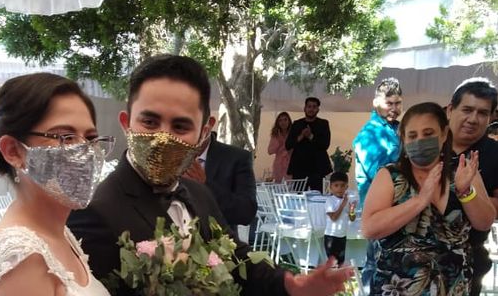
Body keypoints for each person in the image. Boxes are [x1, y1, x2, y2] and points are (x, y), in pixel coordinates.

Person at [67, 55, 352, 296]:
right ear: (127, 123)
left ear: (204, 133)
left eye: (180, 126)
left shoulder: (199, 191)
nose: (163, 137)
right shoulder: (94, 212)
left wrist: (292, 284)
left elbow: (234, 255)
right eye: (150, 122)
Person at [0, 73, 114, 296]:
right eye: (66, 137)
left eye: (90, 137)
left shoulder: (57, 231)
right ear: (13, 151)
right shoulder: (22, 255)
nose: (84, 151)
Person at [362, 102, 496, 295]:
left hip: (454, 287)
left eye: (428, 134)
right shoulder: (390, 175)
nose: (420, 141)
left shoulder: (463, 170)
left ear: (443, 134)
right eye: (413, 135)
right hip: (398, 288)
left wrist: (465, 192)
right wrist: (419, 201)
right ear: (404, 139)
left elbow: (484, 222)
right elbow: (370, 228)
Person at [448, 78, 498, 296]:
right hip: (414, 259)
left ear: (490, 116)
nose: (473, 119)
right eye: (467, 109)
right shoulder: (429, 144)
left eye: (482, 113)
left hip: (469, 259)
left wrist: (463, 192)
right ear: (451, 109)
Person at [352, 77, 402, 291]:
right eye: (389, 103)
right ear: (376, 103)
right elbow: (381, 173)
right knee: (376, 264)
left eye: (398, 103)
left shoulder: (397, 128)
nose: (394, 108)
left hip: (397, 206)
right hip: (379, 209)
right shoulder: (369, 134)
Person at [285, 97, 332, 192]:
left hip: (317, 167)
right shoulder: (297, 124)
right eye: (309, 106)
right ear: (304, 108)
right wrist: (301, 136)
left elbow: (325, 145)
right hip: (299, 167)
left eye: (314, 107)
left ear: (318, 109)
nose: (311, 109)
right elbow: (288, 145)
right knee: (299, 196)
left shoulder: (323, 124)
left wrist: (311, 136)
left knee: (318, 196)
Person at [324, 172, 355, 266]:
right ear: (331, 187)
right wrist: (343, 204)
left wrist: (352, 210)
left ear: (346, 187)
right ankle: (330, 279)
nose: (339, 188)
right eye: (336, 185)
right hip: (331, 236)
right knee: (333, 263)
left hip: (342, 235)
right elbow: (333, 218)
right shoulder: (329, 200)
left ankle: (338, 279)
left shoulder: (347, 200)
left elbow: (352, 218)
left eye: (342, 186)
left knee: (341, 261)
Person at [268, 111, 293, 182]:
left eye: (285, 119)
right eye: (280, 120)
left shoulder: (293, 134)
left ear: (289, 121)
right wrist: (279, 143)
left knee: (291, 186)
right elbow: (270, 151)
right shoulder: (275, 135)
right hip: (279, 164)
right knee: (279, 187)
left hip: (291, 163)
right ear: (278, 123)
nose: (283, 122)